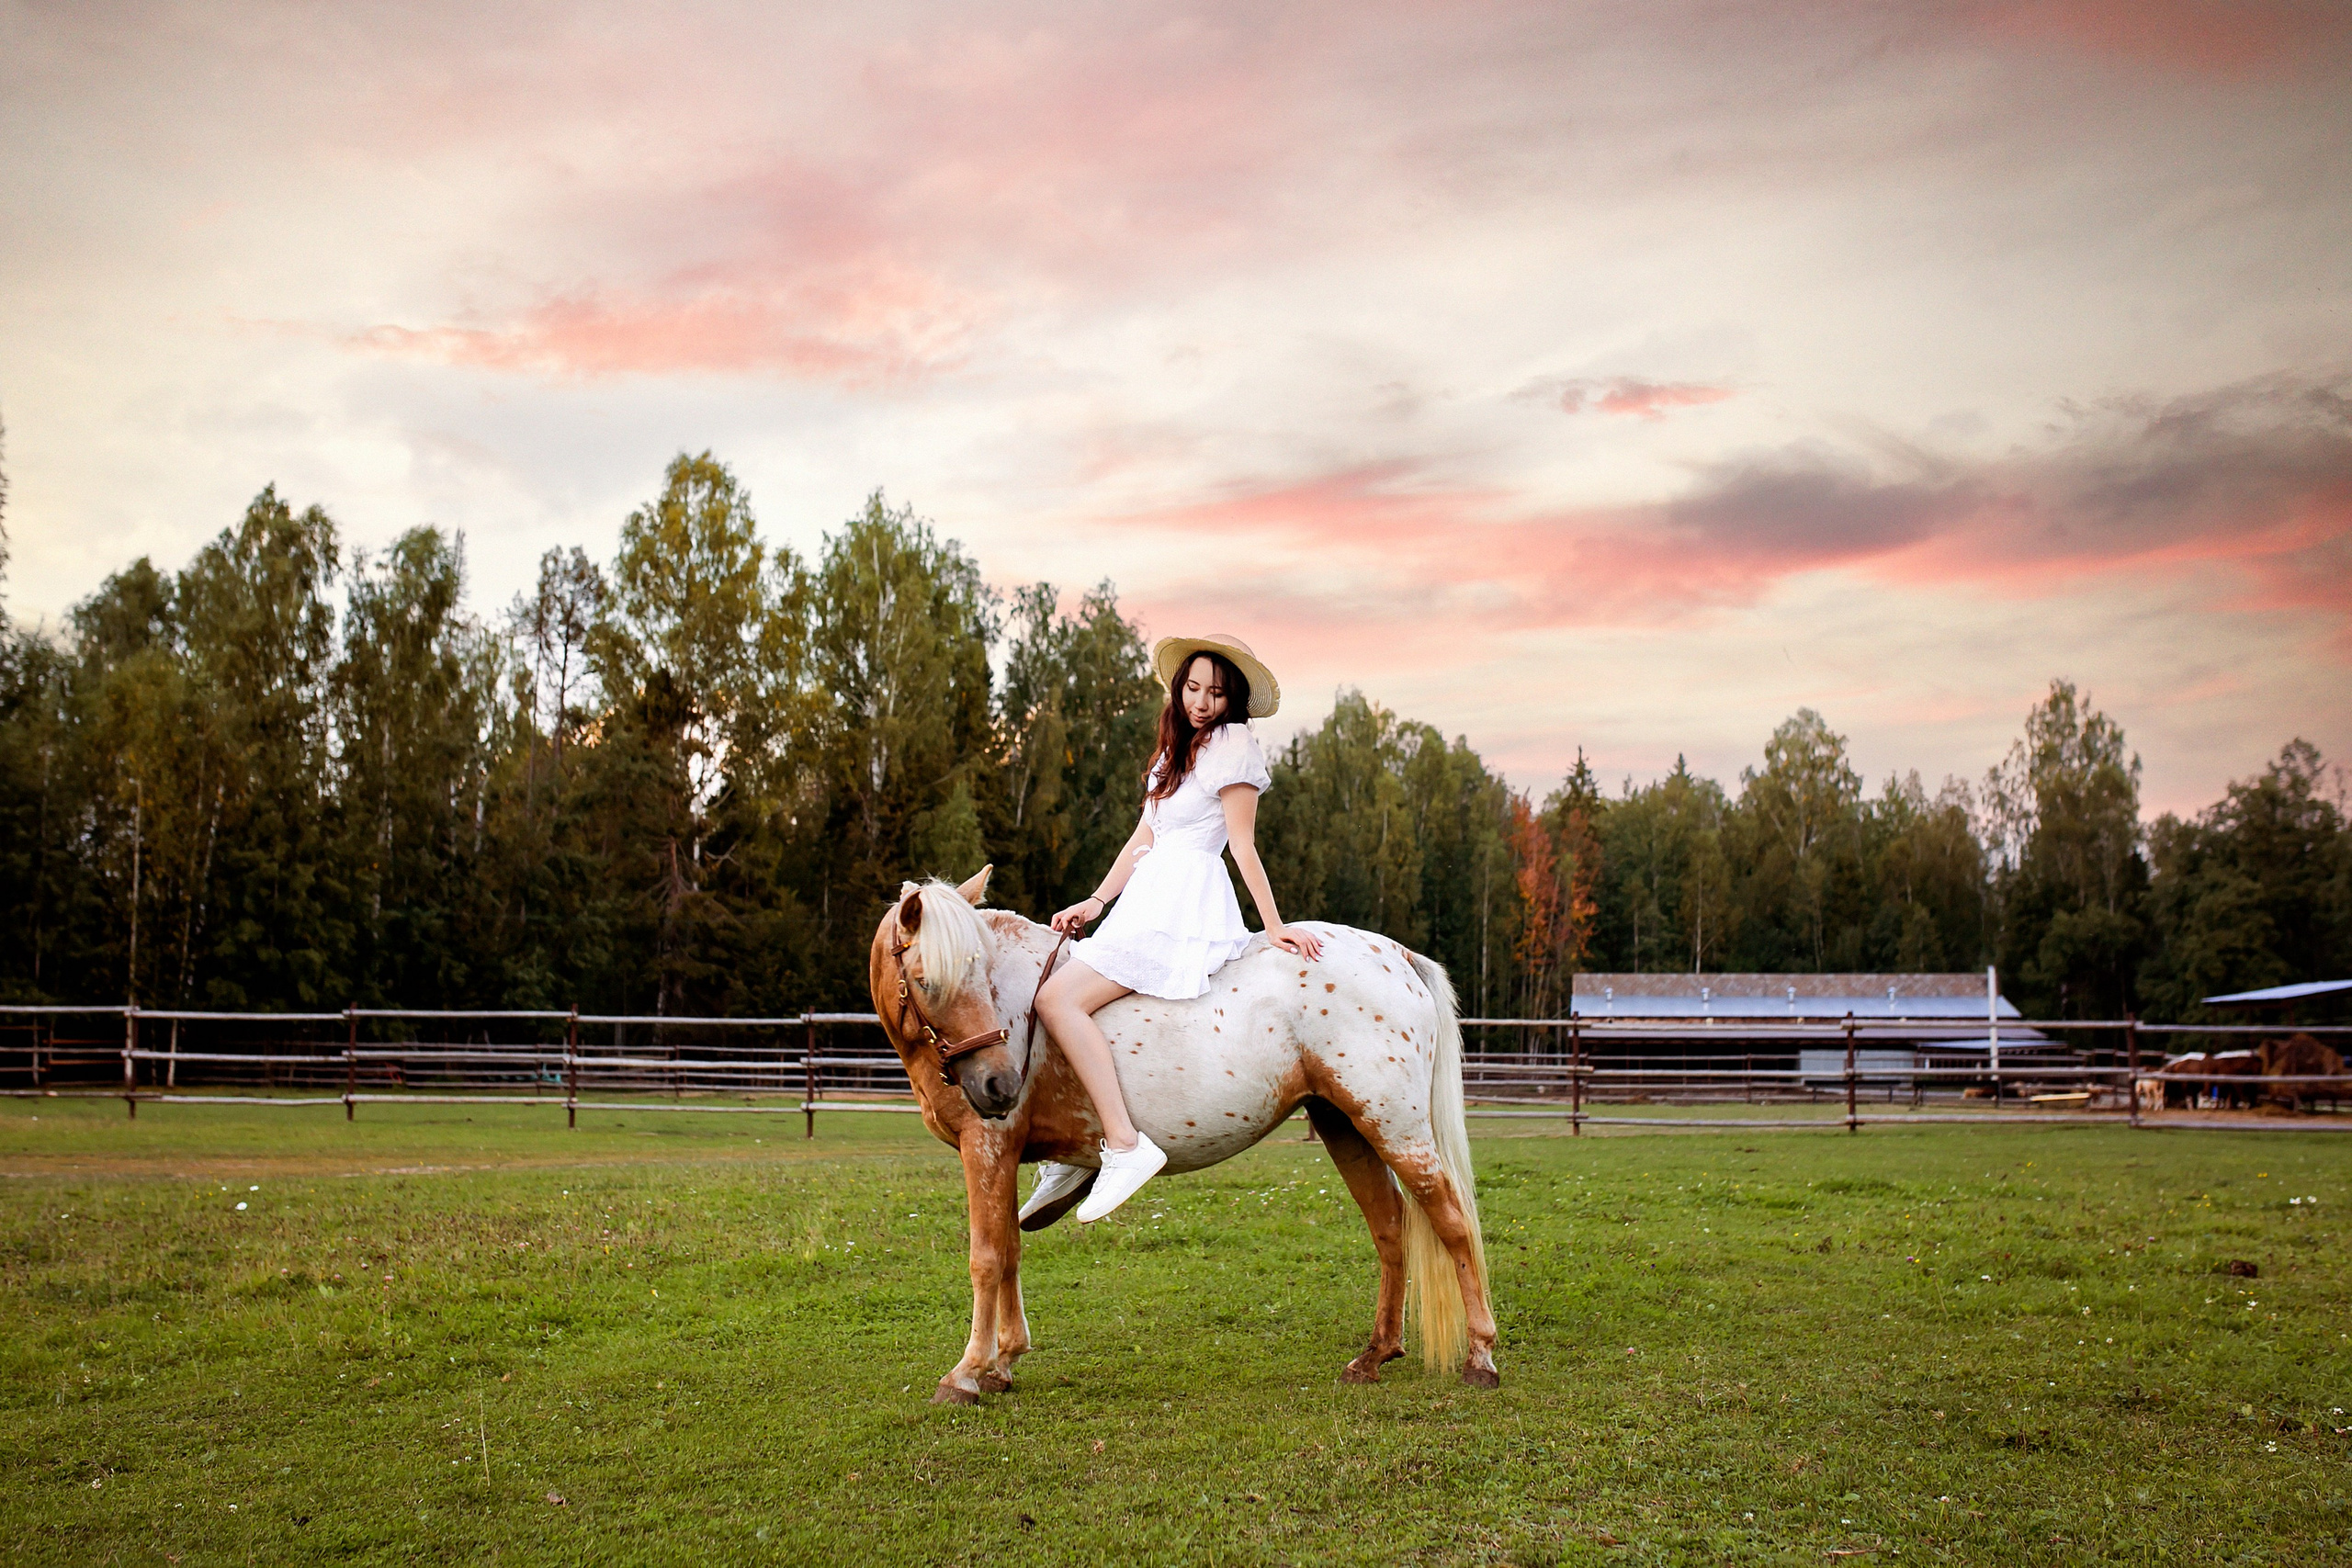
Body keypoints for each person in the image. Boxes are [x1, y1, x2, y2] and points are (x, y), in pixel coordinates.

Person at [1025, 633, 1324, 1224]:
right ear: (1178, 688)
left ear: (1232, 700)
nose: (1202, 702)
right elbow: (1144, 839)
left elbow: (1242, 844)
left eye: (1215, 693)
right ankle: (1077, 1154)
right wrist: (1095, 902)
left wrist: (1275, 926)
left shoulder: (1234, 745)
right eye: (1193, 688)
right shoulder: (1174, 753)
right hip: (1147, 895)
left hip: (1182, 903)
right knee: (1080, 1006)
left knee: (1056, 1000)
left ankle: (1125, 1146)